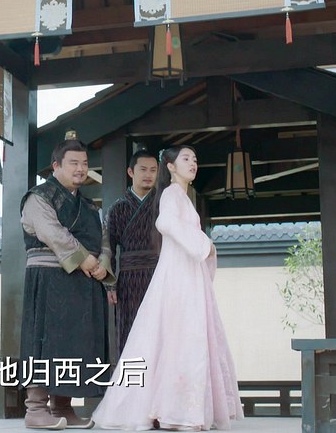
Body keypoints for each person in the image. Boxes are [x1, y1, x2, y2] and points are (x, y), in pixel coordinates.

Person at [92, 145, 243, 431]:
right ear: (170, 167)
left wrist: (202, 246)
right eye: (186, 159)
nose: (193, 163)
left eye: (195, 159)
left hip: (166, 268)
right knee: (154, 337)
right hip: (138, 273)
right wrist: (205, 245)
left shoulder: (175, 195)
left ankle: (171, 406)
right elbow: (161, 224)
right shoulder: (166, 196)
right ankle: (163, 407)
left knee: (164, 338)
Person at [20, 138, 117, 430]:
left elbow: (103, 238)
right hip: (48, 278)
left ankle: (63, 407)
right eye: (73, 163)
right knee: (43, 341)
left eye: (84, 163)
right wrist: (85, 259)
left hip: (83, 281)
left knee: (73, 343)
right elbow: (52, 233)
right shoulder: (38, 197)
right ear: (56, 165)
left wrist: (103, 264)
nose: (80, 169)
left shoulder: (88, 204)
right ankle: (36, 409)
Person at [105, 150, 159, 356]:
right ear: (130, 172)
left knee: (160, 332)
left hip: (159, 276)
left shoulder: (164, 205)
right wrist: (110, 285)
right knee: (129, 331)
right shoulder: (117, 209)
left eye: (153, 170)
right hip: (129, 280)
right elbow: (108, 249)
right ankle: (131, 375)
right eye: (143, 169)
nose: (148, 175)